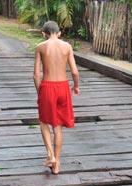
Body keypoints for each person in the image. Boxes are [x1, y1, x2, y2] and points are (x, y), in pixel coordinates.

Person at [34, 21, 80, 175]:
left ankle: (50, 155)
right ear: (59, 33)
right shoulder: (67, 47)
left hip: (48, 86)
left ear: (44, 33)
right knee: (58, 125)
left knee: (43, 121)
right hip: (63, 87)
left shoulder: (41, 47)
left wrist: (39, 91)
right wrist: (76, 86)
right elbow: (74, 71)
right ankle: (57, 163)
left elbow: (36, 74)